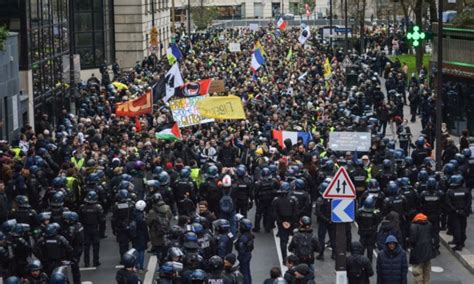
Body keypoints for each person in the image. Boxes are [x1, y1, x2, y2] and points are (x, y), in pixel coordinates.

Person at [445, 174, 471, 251]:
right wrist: (464, 210)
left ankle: (458, 244)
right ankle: (461, 241)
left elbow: (448, 203)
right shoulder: (466, 190)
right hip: (463, 212)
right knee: (463, 227)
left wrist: (455, 210)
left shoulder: (450, 192)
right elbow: (469, 202)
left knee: (456, 228)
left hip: (454, 213)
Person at [78, 191, 104, 267]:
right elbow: (102, 219)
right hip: (94, 228)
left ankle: (86, 262)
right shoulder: (98, 207)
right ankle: (96, 261)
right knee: (96, 246)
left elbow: (80, 218)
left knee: (86, 246)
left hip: (85, 229)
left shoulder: (82, 207)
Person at [409, 213, 434, 284]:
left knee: (417, 272)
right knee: (426, 271)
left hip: (418, 252)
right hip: (428, 251)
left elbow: (412, 240)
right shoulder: (429, 224)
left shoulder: (414, 226)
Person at [146, 193, 172, 260]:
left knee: (158, 250)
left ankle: (160, 262)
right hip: (166, 230)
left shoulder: (152, 212)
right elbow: (170, 217)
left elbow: (148, 222)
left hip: (156, 233)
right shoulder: (168, 208)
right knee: (166, 248)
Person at [132, 200, 149, 273]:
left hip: (134, 235)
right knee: (141, 251)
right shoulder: (141, 218)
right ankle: (141, 267)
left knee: (136, 250)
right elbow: (144, 228)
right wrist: (147, 238)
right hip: (141, 235)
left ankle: (136, 265)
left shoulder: (133, 213)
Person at [235, 218, 254, 284]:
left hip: (243, 256)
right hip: (248, 254)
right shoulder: (250, 234)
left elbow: (241, 249)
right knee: (247, 271)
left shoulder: (243, 237)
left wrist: (239, 258)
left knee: (244, 272)